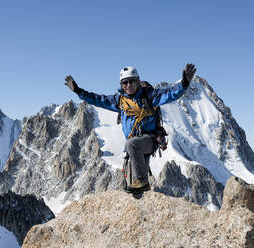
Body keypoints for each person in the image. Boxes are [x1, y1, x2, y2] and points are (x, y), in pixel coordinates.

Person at [65, 64, 196, 192]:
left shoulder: (149, 96)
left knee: (132, 145)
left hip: (150, 140)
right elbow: (98, 99)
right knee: (132, 187)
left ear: (138, 81)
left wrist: (184, 83)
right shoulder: (120, 101)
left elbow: (170, 94)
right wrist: (78, 91)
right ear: (121, 85)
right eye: (125, 83)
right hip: (135, 145)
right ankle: (140, 188)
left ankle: (143, 182)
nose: (128, 85)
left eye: (131, 82)